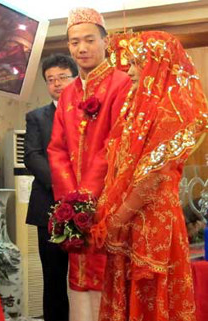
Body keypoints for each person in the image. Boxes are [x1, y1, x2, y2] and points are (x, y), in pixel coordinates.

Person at [92, 31, 207, 321]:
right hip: (128, 218)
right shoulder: (136, 106)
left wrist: (116, 218)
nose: (129, 70)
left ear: (158, 64)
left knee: (153, 297)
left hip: (154, 221)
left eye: (137, 62)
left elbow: (152, 175)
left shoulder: (177, 109)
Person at [46, 8, 132, 321]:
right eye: (73, 42)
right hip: (76, 211)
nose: (81, 48)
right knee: (78, 283)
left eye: (88, 40)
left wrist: (88, 197)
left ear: (105, 41)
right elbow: (56, 148)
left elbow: (116, 145)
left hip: (109, 205)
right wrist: (72, 201)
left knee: (107, 277)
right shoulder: (68, 93)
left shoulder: (122, 84)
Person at [25, 54, 77, 321]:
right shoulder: (37, 117)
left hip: (88, 207)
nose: (57, 84)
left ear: (76, 78)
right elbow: (32, 156)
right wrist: (63, 187)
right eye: (51, 79)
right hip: (48, 206)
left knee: (87, 276)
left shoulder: (91, 111)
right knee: (54, 277)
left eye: (63, 77)